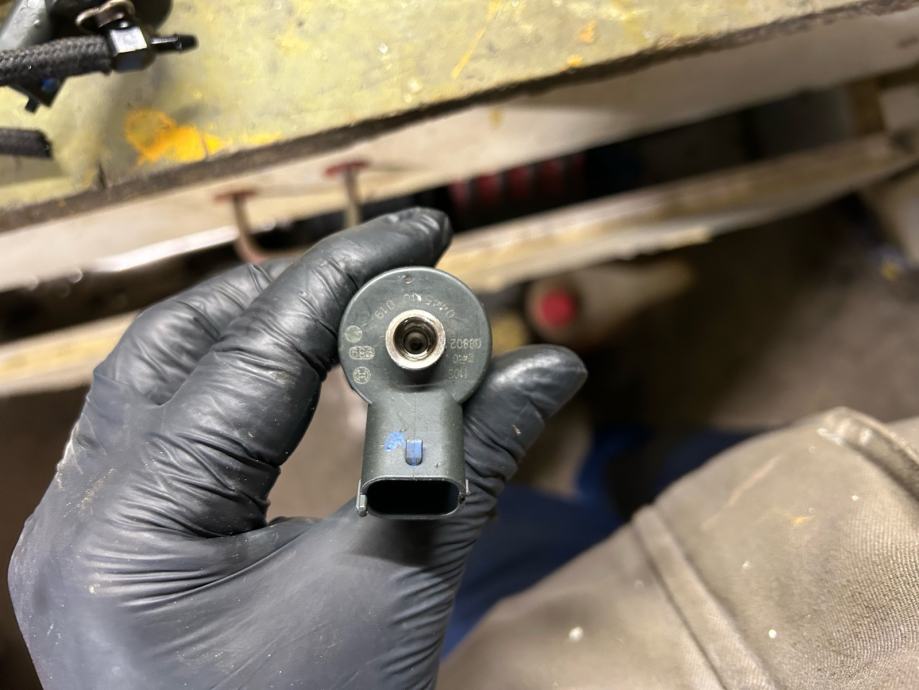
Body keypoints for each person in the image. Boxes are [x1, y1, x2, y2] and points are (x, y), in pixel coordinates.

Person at [9, 209, 919, 689]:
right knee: (657, 473)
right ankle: (617, 453)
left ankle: (610, 459)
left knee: (488, 546)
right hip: (823, 502)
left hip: (563, 624)